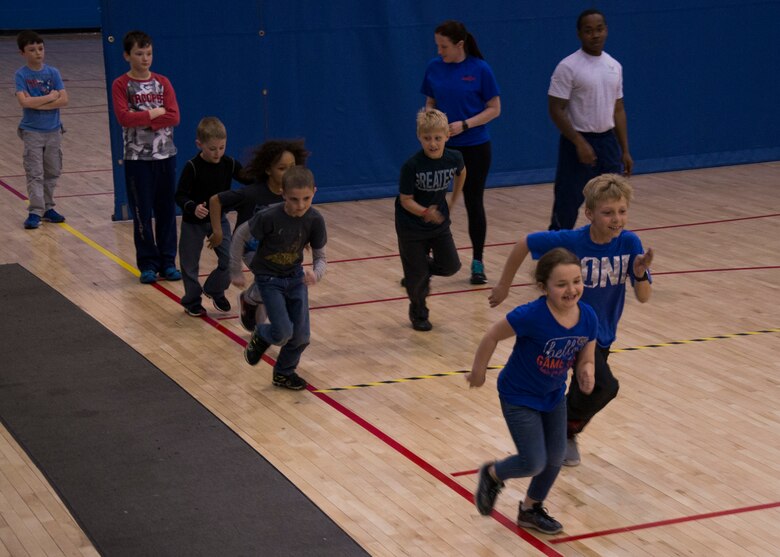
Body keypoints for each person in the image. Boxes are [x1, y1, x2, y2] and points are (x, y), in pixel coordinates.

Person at [489, 173, 654, 467]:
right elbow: (525, 243)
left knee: (587, 389)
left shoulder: (629, 243)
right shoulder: (572, 241)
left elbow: (643, 296)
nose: (616, 219)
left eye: (622, 211)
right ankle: (562, 432)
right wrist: (504, 285)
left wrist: (639, 272)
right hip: (569, 331)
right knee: (604, 386)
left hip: (601, 334)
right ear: (589, 213)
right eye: (607, 212)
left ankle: (561, 432)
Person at [469, 247, 597, 534]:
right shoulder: (531, 315)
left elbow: (586, 355)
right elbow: (492, 335)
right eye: (561, 284)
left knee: (555, 457)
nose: (571, 289)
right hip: (519, 396)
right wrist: (479, 371)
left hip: (552, 396)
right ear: (544, 287)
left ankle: (530, 509)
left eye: (576, 281)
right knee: (533, 461)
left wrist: (587, 371)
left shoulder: (588, 316)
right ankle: (492, 475)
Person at [421, 19, 501, 284]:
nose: (439, 51)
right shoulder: (434, 68)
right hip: (442, 148)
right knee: (432, 203)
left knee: (473, 202)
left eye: (443, 46)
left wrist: (465, 124)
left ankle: (477, 263)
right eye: (437, 46)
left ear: (459, 45)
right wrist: (430, 119)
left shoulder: (480, 69)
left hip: (475, 147)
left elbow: (494, 108)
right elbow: (430, 102)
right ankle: (422, 262)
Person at [208, 139, 309, 331]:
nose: (289, 172)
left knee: (275, 283)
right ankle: (251, 301)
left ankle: (253, 307)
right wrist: (218, 230)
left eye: (292, 167)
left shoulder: (294, 193)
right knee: (272, 277)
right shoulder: (252, 193)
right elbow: (216, 200)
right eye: (282, 168)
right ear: (269, 170)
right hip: (251, 249)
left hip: (279, 250)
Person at [240, 166, 327, 391]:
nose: (300, 205)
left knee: (301, 337)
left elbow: (320, 258)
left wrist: (315, 274)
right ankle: (262, 333)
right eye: (294, 199)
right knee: (283, 332)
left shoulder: (315, 219)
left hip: (296, 278)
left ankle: (283, 374)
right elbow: (241, 237)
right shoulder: (269, 216)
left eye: (306, 198)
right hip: (269, 279)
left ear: (315, 192)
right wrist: (233, 269)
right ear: (283, 194)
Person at [547, 9, 633, 231]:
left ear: (606, 30)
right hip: (577, 142)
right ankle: (554, 258)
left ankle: (607, 251)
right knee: (567, 203)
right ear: (579, 34)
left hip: (607, 143)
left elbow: (619, 109)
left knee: (612, 202)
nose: (595, 35)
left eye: (599, 29)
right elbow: (556, 109)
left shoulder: (614, 66)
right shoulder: (568, 66)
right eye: (588, 31)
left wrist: (624, 150)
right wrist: (579, 142)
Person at [111, 30, 181, 284]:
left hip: (165, 155)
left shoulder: (163, 82)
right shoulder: (121, 84)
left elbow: (173, 116)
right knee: (142, 211)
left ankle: (168, 261)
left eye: (148, 53)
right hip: (136, 159)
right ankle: (148, 263)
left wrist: (145, 119)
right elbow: (124, 118)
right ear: (127, 55)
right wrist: (154, 114)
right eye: (139, 53)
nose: (145, 58)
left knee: (166, 210)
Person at [396, 108, 465, 331]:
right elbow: (406, 200)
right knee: (418, 281)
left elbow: (462, 172)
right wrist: (426, 212)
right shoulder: (411, 166)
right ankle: (419, 312)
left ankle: (417, 270)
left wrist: (454, 199)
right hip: (411, 226)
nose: (433, 143)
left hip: (438, 223)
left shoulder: (453, 157)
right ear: (419, 137)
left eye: (437, 138)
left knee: (451, 266)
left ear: (447, 136)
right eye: (427, 138)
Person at [174, 117, 250, 317]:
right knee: (189, 264)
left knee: (229, 258)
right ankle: (192, 301)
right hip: (193, 224)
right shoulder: (192, 167)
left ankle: (215, 289)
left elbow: (248, 179)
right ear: (199, 144)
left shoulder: (230, 164)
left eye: (222, 147)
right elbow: (180, 195)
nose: (218, 153)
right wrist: (192, 207)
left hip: (219, 220)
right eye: (212, 149)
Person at [14, 30, 68, 230]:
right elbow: (24, 102)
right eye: (32, 50)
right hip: (32, 132)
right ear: (23, 53)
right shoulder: (21, 75)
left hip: (54, 131)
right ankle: (35, 211)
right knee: (35, 172)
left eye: (40, 48)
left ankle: (48, 208)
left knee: (52, 171)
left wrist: (36, 102)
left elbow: (64, 100)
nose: (38, 53)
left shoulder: (53, 73)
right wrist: (49, 97)